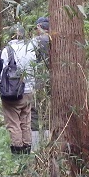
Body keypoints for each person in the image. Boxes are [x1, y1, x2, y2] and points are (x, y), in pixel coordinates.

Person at [0, 24, 36, 154]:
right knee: (26, 120)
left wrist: (0, 87)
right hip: (28, 90)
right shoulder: (30, 48)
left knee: (13, 123)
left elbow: (2, 71)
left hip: (12, 92)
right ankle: (27, 148)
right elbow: (34, 68)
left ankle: (17, 150)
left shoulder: (7, 50)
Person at [31, 16, 51, 150]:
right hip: (52, 79)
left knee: (35, 112)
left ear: (39, 27)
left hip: (37, 79)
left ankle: (36, 146)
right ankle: (49, 141)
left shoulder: (35, 42)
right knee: (48, 111)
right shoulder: (54, 40)